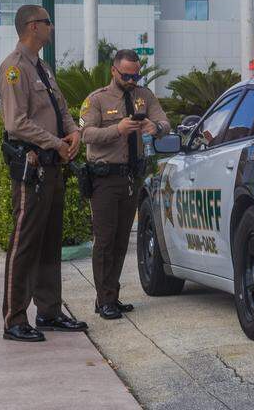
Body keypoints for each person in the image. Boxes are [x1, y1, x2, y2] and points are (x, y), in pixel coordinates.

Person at [0, 4, 88, 341]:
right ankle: (15, 319)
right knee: (24, 243)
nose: (52, 27)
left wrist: (73, 133)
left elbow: (61, 109)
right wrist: (55, 143)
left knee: (50, 242)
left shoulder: (43, 68)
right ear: (32, 27)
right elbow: (16, 123)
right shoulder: (14, 69)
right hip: (31, 168)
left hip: (53, 166)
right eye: (48, 22)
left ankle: (49, 312)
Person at [79, 49, 170, 319]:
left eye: (136, 75)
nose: (132, 80)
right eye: (127, 75)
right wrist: (116, 130)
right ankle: (103, 299)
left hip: (131, 176)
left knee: (121, 241)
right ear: (114, 71)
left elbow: (164, 120)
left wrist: (157, 128)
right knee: (104, 241)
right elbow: (85, 133)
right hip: (105, 178)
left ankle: (112, 297)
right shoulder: (97, 99)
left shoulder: (145, 96)